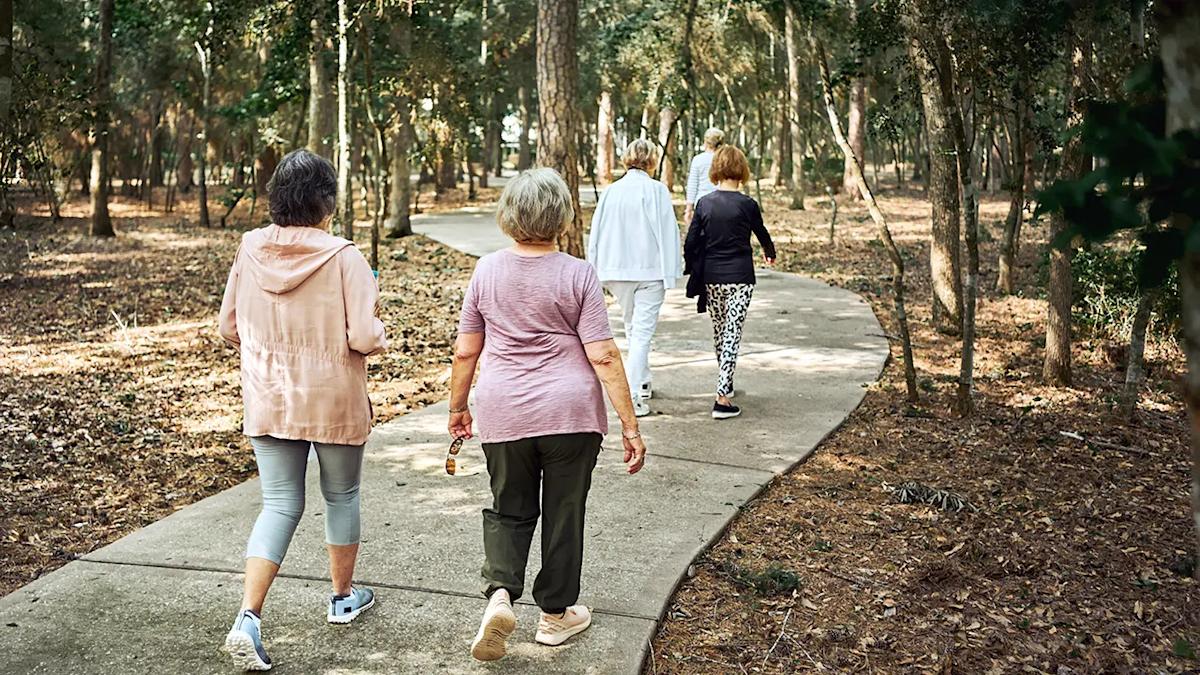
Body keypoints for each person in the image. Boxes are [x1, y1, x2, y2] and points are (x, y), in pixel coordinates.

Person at [448, 167, 648, 662]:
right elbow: (604, 355)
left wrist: (458, 407)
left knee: (508, 507)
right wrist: (630, 424)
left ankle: (500, 594)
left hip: (505, 409)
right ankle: (555, 617)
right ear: (561, 216)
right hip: (571, 414)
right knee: (564, 512)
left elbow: (466, 350)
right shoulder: (578, 273)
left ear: (508, 215)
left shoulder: (486, 270)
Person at [218, 149, 387, 671]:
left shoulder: (249, 248)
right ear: (326, 203)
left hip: (270, 394)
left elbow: (228, 327)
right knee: (342, 494)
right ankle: (342, 598)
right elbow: (364, 336)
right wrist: (379, 326)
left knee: (278, 503)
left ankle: (248, 617)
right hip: (333, 397)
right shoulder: (344, 257)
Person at [587, 138, 682, 415]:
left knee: (633, 328)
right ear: (652, 160)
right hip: (649, 270)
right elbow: (668, 232)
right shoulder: (656, 190)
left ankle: (642, 382)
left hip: (615, 270)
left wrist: (595, 268)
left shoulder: (611, 191)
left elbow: (596, 231)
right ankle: (633, 396)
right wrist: (671, 272)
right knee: (641, 333)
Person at [683, 145, 775, 421]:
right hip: (741, 278)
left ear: (716, 170)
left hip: (712, 277)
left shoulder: (705, 203)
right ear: (742, 170)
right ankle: (722, 399)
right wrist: (770, 253)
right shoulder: (748, 205)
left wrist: (693, 263)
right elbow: (762, 233)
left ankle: (727, 382)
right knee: (732, 333)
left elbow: (690, 242)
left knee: (721, 331)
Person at [683, 127, 725, 226]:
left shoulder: (698, 159)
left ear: (705, 142)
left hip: (702, 203)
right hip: (722, 202)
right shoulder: (724, 160)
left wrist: (688, 209)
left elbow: (692, 185)